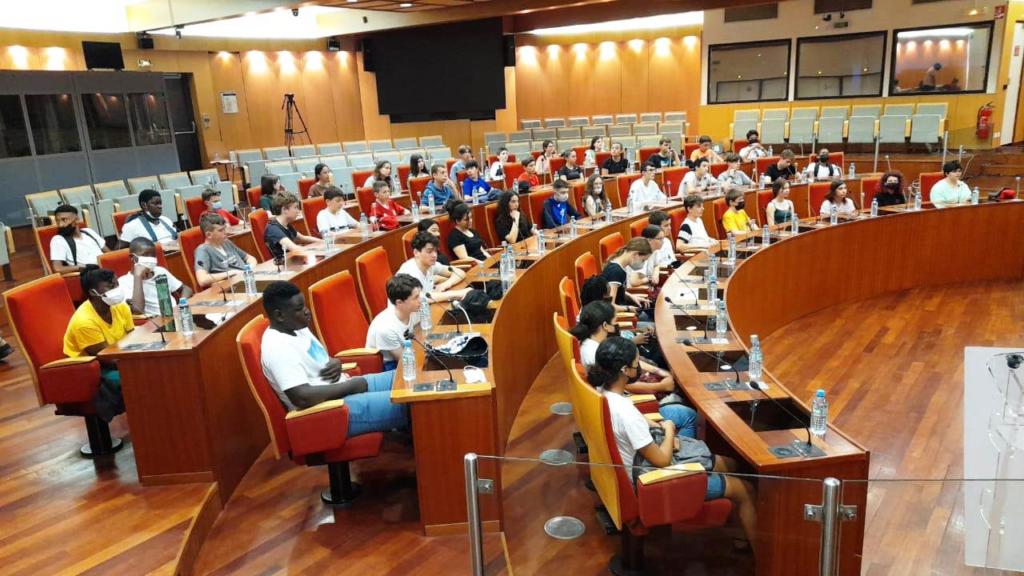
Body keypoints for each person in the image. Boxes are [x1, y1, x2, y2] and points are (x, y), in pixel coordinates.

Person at [588, 336, 757, 547]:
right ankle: (758, 555)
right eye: (636, 363)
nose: (639, 368)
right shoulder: (626, 414)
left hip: (639, 463)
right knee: (745, 489)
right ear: (625, 370)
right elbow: (662, 461)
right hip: (650, 479)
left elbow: (639, 428)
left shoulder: (602, 394)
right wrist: (668, 431)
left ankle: (739, 534)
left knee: (732, 464)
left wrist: (659, 431)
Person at [260, 281, 408, 437]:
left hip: (341, 389)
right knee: (409, 402)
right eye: (299, 309)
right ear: (279, 315)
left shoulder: (296, 327)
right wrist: (350, 386)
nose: (306, 311)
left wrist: (336, 362)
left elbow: (319, 360)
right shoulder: (278, 348)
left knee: (410, 377)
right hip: (328, 412)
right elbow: (302, 397)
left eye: (304, 305)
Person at [570, 301, 680, 401]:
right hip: (622, 397)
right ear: (605, 325)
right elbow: (623, 385)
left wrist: (657, 370)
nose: (617, 325)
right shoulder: (594, 353)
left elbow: (627, 360)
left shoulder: (593, 341)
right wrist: (661, 386)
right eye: (615, 321)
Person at [63, 266, 132, 421]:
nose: (116, 289)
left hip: (117, 358)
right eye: (110, 286)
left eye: (116, 284)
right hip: (89, 368)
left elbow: (132, 338)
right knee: (137, 378)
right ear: (93, 293)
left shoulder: (120, 306)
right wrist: (138, 364)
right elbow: (107, 358)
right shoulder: (84, 321)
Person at [118, 237, 191, 317]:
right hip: (155, 320)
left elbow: (186, 289)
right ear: (133, 258)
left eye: (153, 256)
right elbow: (138, 310)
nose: (150, 259)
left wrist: (181, 304)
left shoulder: (160, 271)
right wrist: (138, 276)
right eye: (145, 255)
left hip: (176, 314)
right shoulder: (123, 282)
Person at [366, 274, 422, 371]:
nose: (420, 300)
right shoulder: (385, 328)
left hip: (407, 352)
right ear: (399, 302)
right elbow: (405, 362)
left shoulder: (412, 310)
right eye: (416, 297)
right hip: (388, 365)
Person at [398, 232, 470, 302]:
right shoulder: (409, 271)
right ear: (416, 252)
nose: (434, 255)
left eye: (435, 251)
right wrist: (456, 294)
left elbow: (460, 272)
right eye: (429, 252)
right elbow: (419, 298)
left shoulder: (431, 265)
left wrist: (446, 284)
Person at [194, 212, 259, 288]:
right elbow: (202, 280)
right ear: (209, 235)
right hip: (234, 286)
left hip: (248, 279)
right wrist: (231, 273)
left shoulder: (226, 242)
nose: (225, 232)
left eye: (224, 228)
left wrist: (250, 268)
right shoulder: (202, 250)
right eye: (221, 230)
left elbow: (249, 258)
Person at [50, 204, 108, 273]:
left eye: (64, 220)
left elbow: (109, 253)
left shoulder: (89, 232)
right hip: (91, 274)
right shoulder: (58, 240)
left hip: (107, 268)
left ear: (77, 220)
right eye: (57, 221)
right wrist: (85, 267)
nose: (60, 225)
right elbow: (58, 268)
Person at [265, 192, 323, 260]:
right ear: (284, 210)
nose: (298, 211)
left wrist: (323, 242)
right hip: (284, 263)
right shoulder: (273, 229)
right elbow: (294, 248)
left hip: (293, 260)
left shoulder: (286, 224)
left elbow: (302, 238)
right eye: (295, 207)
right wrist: (316, 250)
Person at [602, 238, 653, 308]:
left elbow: (618, 291)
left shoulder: (619, 265)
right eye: (643, 260)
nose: (643, 264)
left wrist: (632, 297)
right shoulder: (616, 271)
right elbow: (610, 306)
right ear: (635, 254)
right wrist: (628, 309)